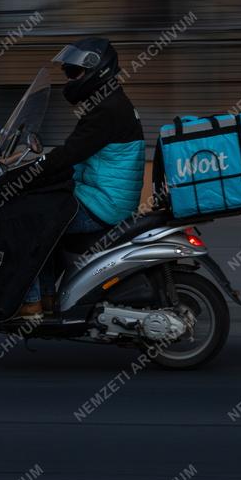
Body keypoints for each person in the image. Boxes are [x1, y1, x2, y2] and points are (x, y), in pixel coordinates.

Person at [16, 37, 145, 318]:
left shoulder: (107, 110)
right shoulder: (108, 103)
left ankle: (32, 302)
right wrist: (38, 170)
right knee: (42, 208)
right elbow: (78, 156)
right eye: (68, 73)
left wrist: (25, 175)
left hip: (104, 204)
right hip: (101, 195)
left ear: (97, 70)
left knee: (28, 220)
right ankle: (48, 298)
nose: (70, 79)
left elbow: (70, 154)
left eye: (74, 73)